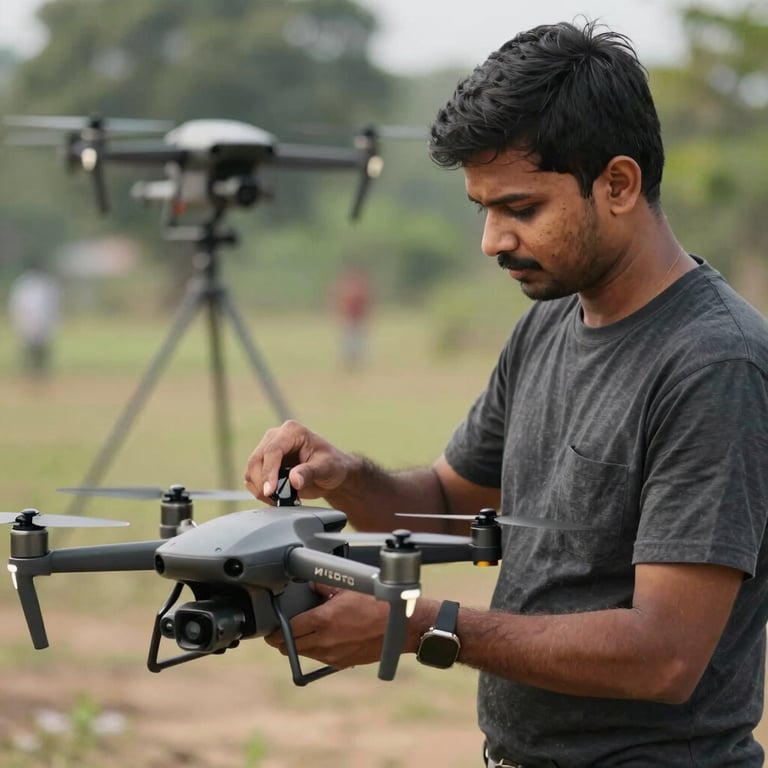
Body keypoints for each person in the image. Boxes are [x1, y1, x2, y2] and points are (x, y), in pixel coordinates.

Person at [244, 19, 768, 767]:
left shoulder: (715, 362)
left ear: (618, 184)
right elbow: (455, 507)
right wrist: (346, 477)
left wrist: (417, 623)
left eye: (521, 209)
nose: (493, 241)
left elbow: (664, 655)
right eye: (483, 210)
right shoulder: (549, 321)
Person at [8, 259, 61, 378]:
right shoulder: (24, 284)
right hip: (28, 321)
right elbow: (17, 305)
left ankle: (40, 374)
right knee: (29, 350)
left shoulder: (45, 283)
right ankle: (29, 374)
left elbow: (53, 305)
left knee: (42, 351)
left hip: (43, 322)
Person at [331, 261, 372, 369]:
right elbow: (340, 303)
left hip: (357, 319)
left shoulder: (359, 287)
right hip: (350, 319)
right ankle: (349, 362)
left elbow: (365, 303)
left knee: (357, 341)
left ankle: (357, 361)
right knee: (349, 341)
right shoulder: (347, 287)